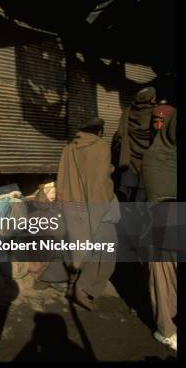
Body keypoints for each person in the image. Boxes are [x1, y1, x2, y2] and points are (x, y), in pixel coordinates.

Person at [57, 118, 120, 311]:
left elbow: (61, 178)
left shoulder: (69, 148)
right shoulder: (101, 147)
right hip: (95, 205)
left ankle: (75, 283)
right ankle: (83, 288)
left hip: (71, 205)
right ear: (99, 131)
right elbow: (100, 184)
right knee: (108, 247)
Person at [141, 104, 178, 352]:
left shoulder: (158, 153)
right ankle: (167, 329)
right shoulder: (156, 153)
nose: (157, 125)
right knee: (165, 275)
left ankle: (167, 329)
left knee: (165, 276)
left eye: (163, 121)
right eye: (155, 120)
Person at [112, 86, 156, 202]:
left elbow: (120, 135)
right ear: (151, 99)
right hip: (147, 160)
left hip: (129, 159)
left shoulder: (127, 112)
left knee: (127, 199)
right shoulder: (155, 114)